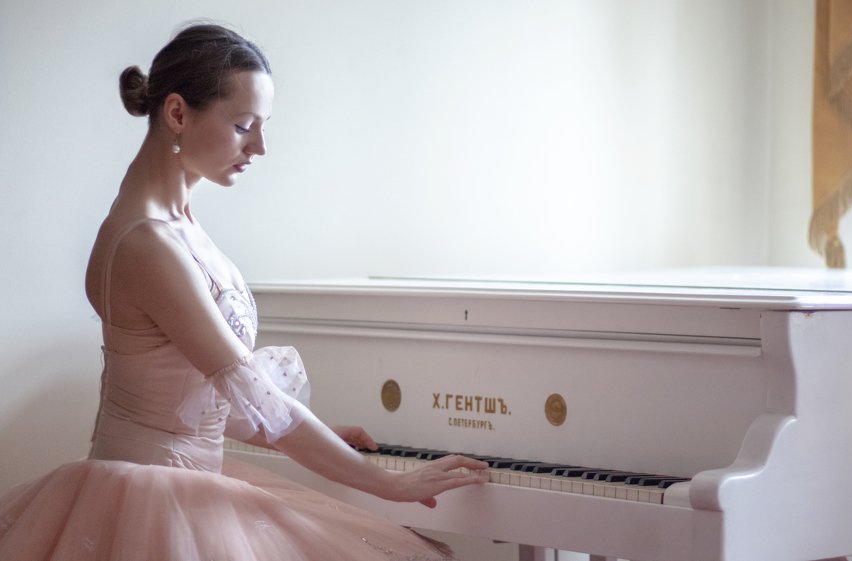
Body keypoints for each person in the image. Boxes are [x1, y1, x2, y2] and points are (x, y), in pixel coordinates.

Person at [0, 23, 489, 561]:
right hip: (151, 504)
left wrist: (323, 435)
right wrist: (389, 484)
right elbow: (260, 402)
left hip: (183, 488)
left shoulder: (176, 224)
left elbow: (199, 399)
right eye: (242, 125)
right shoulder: (146, 243)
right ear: (178, 114)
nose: (259, 146)